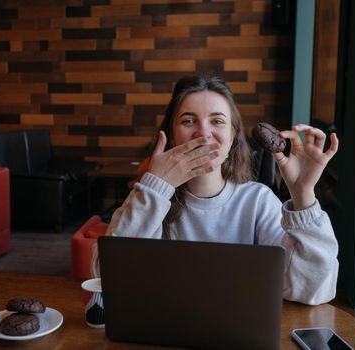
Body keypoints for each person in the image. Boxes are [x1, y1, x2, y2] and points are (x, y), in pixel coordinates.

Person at [92, 74, 339, 306]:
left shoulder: (257, 201)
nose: (203, 132)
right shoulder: (151, 199)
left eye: (217, 121)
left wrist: (303, 193)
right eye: (188, 121)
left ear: (232, 136)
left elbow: (312, 290)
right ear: (172, 136)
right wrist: (155, 185)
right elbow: (107, 276)